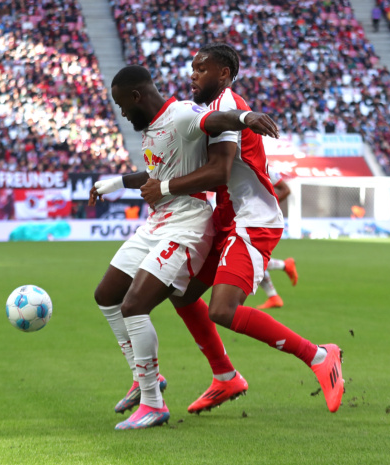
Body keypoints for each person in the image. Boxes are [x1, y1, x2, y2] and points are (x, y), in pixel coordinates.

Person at [140, 43, 344, 416]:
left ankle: (318, 355)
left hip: (251, 220)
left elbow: (219, 170)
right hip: (224, 220)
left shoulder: (226, 104)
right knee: (181, 293)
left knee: (222, 309)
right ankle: (225, 376)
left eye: (202, 68)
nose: (192, 74)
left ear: (224, 73)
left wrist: (164, 187)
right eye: (192, 68)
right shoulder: (211, 111)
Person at [89, 64, 279, 430]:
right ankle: (144, 377)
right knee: (107, 295)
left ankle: (153, 403)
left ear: (136, 96)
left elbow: (215, 120)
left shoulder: (181, 114)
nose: (122, 113)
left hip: (187, 224)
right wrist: (114, 184)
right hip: (158, 222)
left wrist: (247, 117)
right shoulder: (151, 127)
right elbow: (156, 174)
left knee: (135, 306)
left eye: (122, 105)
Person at [257, 167, 298, 310]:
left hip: (257, 221)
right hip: (239, 217)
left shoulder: (263, 167)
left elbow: (285, 190)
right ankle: (273, 296)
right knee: (253, 259)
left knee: (251, 258)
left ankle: (284, 266)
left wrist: (267, 208)